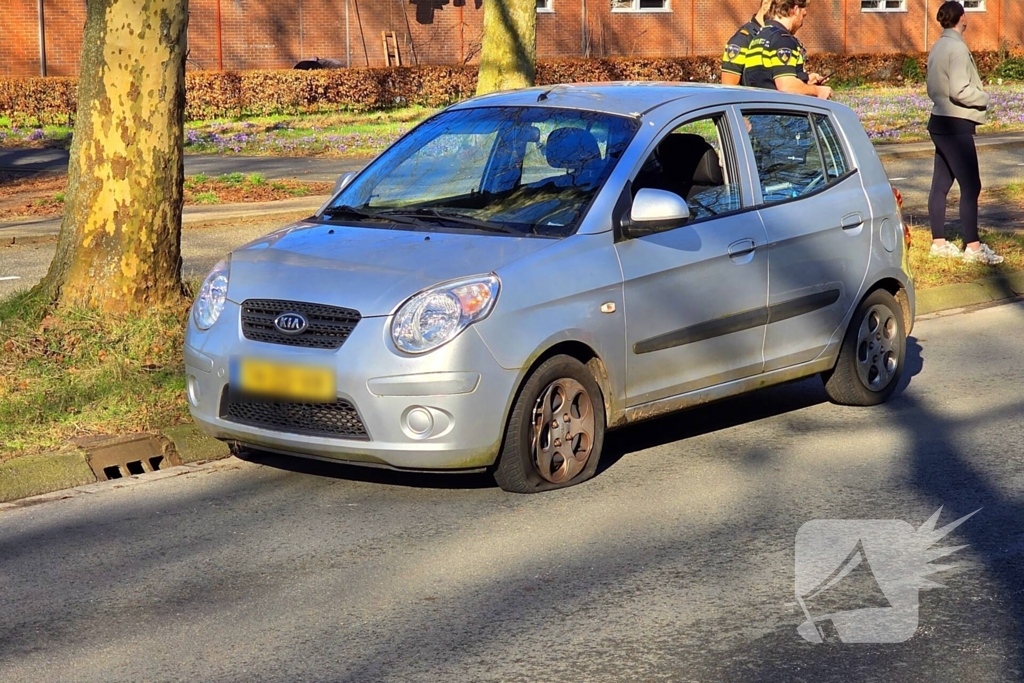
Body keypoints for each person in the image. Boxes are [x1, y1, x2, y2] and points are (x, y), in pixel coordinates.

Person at [926, 1, 1003, 264]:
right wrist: (983, 97)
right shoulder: (957, 48)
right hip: (956, 123)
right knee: (971, 185)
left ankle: (938, 243)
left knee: (941, 185)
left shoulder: (938, 45)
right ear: (961, 18)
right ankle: (973, 248)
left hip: (939, 120)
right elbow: (959, 89)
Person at [742, 0, 831, 100]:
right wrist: (817, 91)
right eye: (803, 15)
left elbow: (766, 77)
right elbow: (786, 87)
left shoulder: (758, 38)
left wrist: (805, 80)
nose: (802, 23)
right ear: (796, 10)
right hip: (778, 112)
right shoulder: (783, 39)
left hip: (758, 109)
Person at [721, 0, 773, 86]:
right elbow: (729, 87)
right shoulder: (742, 40)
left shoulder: (774, 37)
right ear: (766, 5)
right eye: (779, 9)